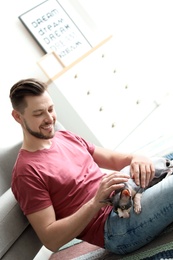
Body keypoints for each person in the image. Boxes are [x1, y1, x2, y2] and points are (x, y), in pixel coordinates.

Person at [9, 78, 173, 255]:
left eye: (51, 109)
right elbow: (51, 239)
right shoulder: (26, 173)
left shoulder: (64, 136)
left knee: (163, 162)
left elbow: (112, 158)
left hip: (128, 192)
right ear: (18, 117)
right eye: (39, 113)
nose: (50, 119)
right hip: (116, 226)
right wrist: (96, 201)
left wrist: (136, 157)